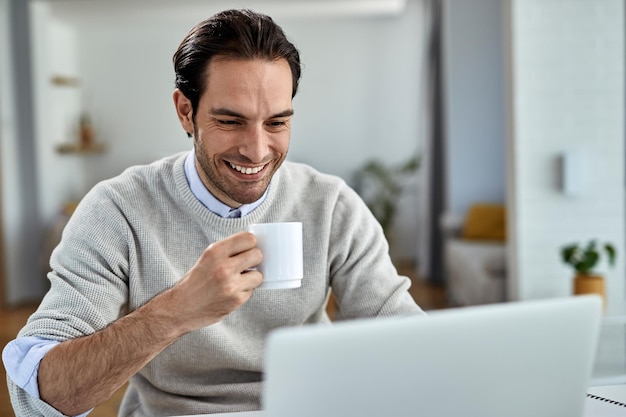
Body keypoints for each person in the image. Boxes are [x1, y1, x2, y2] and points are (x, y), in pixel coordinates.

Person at [3, 9, 424, 417]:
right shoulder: (118, 210)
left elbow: (410, 344)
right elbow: (37, 400)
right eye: (230, 121)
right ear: (186, 111)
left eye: (276, 123)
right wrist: (177, 310)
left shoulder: (331, 206)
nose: (257, 151)